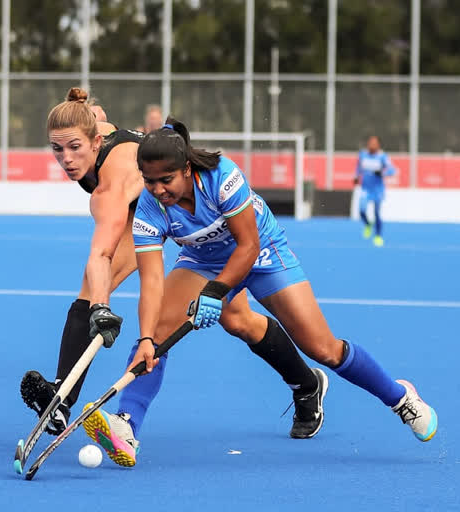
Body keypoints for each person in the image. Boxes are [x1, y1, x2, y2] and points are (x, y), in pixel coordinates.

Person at [82, 120, 437, 467]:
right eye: (149, 181)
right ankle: (126, 425)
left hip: (262, 252)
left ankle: (400, 397)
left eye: (166, 180)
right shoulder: (149, 207)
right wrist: (146, 338)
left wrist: (215, 292)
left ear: (187, 168)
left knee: (322, 348)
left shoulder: (222, 176)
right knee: (161, 332)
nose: (158, 190)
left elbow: (248, 246)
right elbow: (153, 282)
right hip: (203, 259)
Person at [21, 88, 326, 440]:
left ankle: (62, 399)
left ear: (93, 140)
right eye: (57, 149)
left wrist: (101, 308)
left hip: (173, 215)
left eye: (74, 147)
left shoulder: (111, 188)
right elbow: (98, 115)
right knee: (239, 320)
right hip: (154, 214)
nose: (67, 159)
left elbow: (101, 254)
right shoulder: (93, 124)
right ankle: (307, 383)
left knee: (92, 292)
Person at [354, 135, 395, 247]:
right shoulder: (363, 155)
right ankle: (368, 224)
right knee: (361, 210)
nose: (372, 145)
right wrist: (356, 176)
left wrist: (382, 173)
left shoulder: (382, 156)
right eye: (370, 143)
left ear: (378, 145)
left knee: (377, 212)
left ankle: (378, 236)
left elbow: (392, 170)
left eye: (374, 143)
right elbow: (358, 168)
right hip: (365, 189)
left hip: (377, 190)